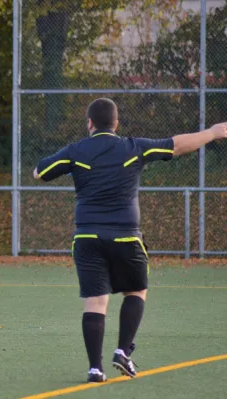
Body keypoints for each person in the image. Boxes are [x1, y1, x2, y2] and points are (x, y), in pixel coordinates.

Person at [34, 98, 227, 383]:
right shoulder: (134, 146)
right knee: (136, 291)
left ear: (89, 123)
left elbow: (40, 172)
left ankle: (95, 369)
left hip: (87, 236)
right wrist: (212, 132)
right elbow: (176, 144)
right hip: (126, 235)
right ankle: (123, 351)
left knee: (95, 303)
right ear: (116, 123)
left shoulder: (75, 151)